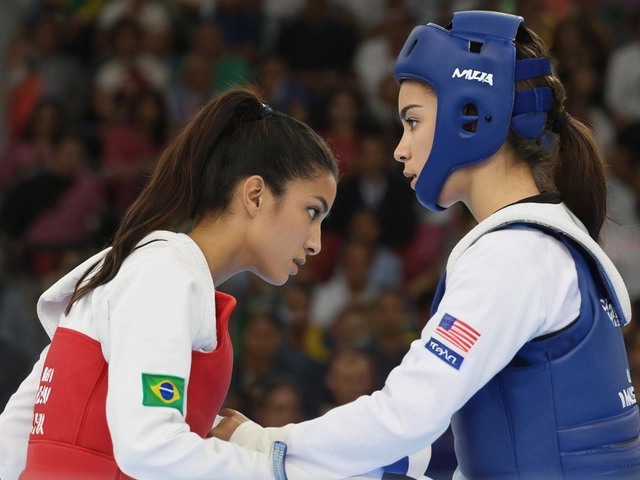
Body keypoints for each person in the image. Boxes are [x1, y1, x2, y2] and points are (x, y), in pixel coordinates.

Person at [212, 10, 640, 479]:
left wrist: (260, 443)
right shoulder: (546, 242)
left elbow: (403, 418)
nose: (400, 147)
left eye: (412, 122)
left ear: (471, 115)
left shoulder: (513, 258)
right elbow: (449, 443)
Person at [0, 86, 351, 480]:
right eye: (312, 211)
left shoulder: (148, 271)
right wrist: (276, 469)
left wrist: (245, 442)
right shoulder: (161, 275)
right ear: (255, 195)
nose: (316, 242)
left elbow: (13, 439)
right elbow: (150, 447)